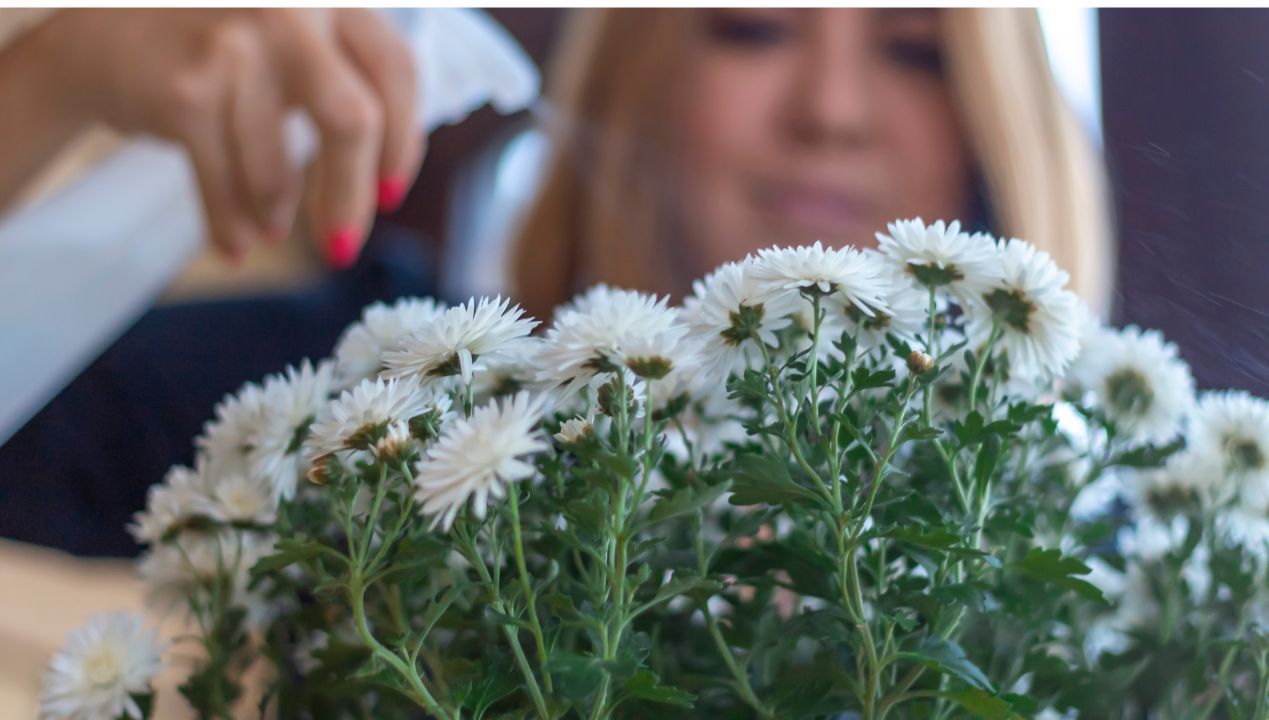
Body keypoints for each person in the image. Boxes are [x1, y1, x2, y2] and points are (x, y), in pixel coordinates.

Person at [511, 8, 1113, 320]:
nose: (832, 110)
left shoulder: (1116, 537)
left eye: (915, 50)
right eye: (758, 28)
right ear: (629, 75)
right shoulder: (437, 436)